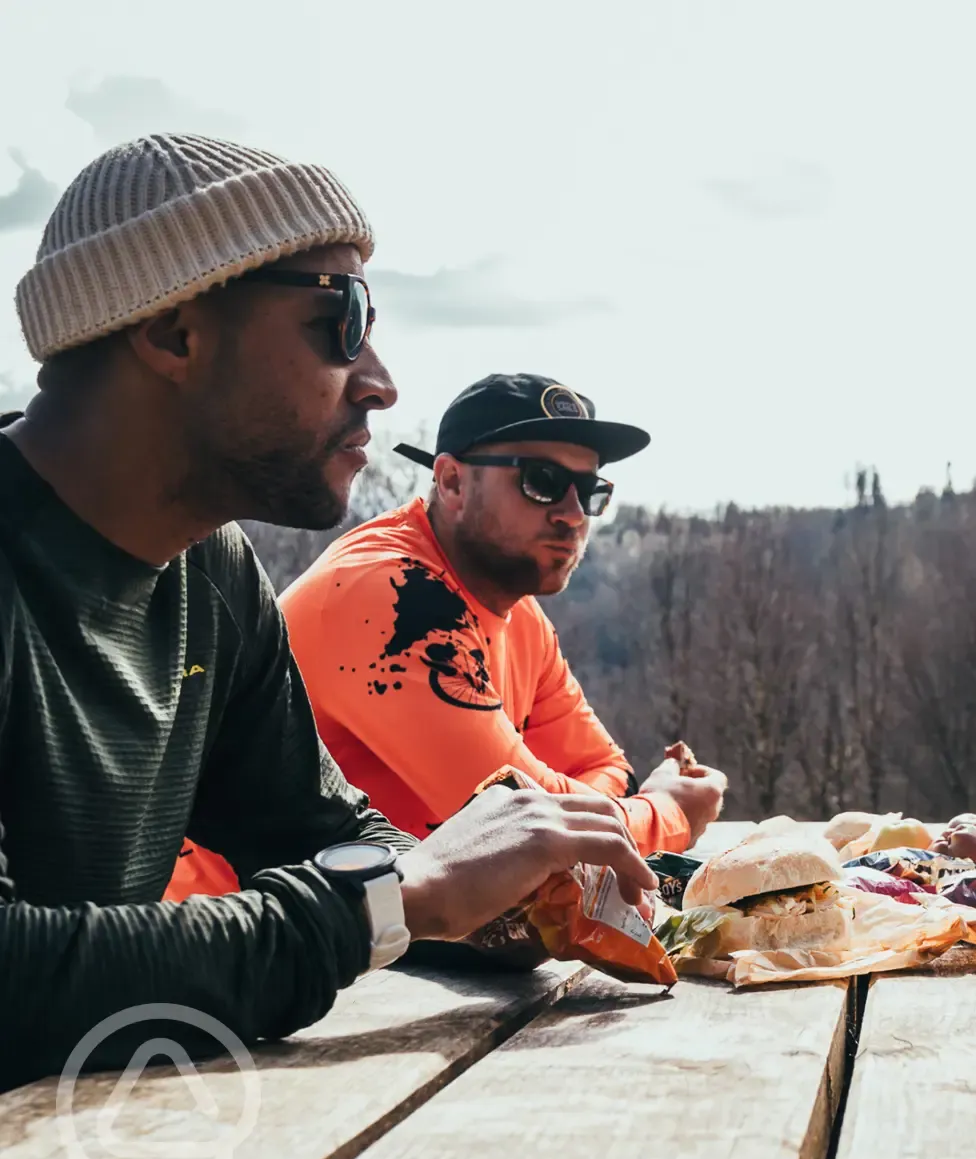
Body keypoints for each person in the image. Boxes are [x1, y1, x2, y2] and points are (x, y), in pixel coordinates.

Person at [0, 134, 655, 1091]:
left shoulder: (210, 575)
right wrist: (391, 902)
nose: (382, 382)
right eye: (338, 319)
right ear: (174, 332)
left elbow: (318, 831)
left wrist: (511, 898)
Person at [163, 375, 726, 900]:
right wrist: (668, 812)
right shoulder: (393, 600)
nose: (574, 515)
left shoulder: (518, 612)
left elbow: (605, 770)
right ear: (452, 481)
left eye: (591, 490)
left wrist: (592, 806)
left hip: (382, 933)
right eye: (544, 482)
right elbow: (534, 832)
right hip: (236, 950)